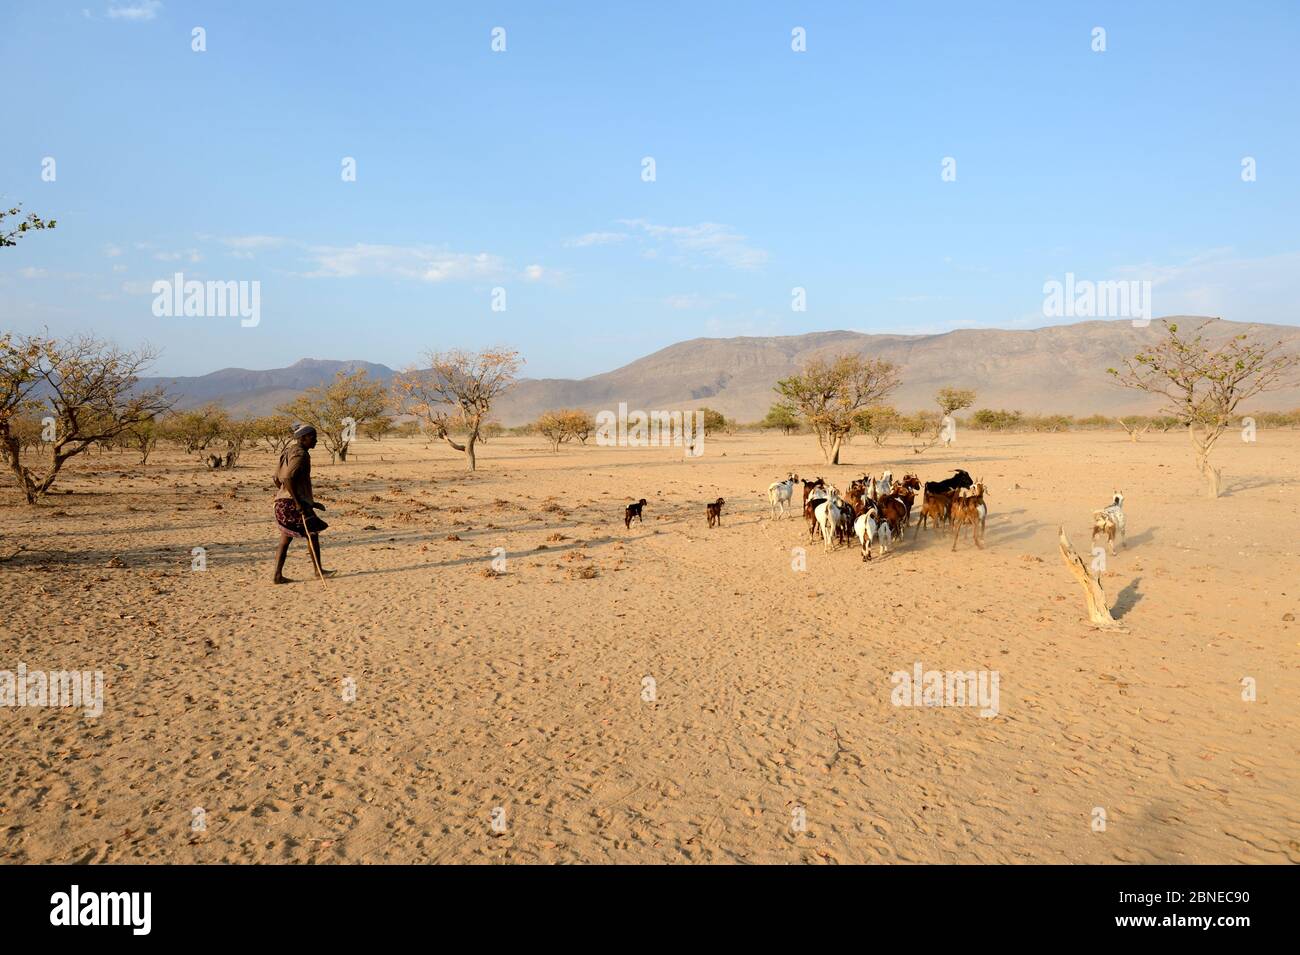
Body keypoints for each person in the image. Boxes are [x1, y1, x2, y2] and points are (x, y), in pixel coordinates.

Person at [272, 424, 334, 582]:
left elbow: (276, 478)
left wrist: (306, 501)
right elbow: (287, 478)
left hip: (282, 502)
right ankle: (318, 571)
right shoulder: (301, 454)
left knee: (286, 539)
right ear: (303, 438)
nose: (316, 440)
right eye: (313, 437)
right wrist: (297, 501)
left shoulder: (288, 451)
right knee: (312, 533)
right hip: (292, 504)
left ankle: (278, 575)